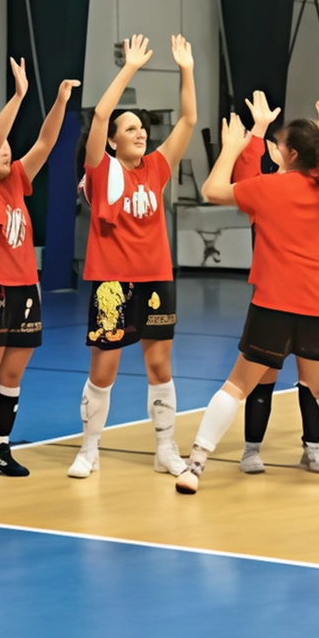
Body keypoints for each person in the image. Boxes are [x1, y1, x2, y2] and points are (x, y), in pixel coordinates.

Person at [174, 110, 319, 495]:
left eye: (280, 145)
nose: (276, 148)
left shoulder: (268, 187)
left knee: (236, 385)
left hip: (275, 303)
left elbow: (212, 190)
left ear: (291, 154)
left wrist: (232, 149)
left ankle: (195, 465)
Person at [68, 34, 195, 479]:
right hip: (112, 282)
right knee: (104, 368)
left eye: (142, 128)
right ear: (113, 141)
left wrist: (187, 69)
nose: (140, 132)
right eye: (130, 129)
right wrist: (130, 69)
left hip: (156, 278)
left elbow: (189, 119)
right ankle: (89, 449)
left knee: (160, 365)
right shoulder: (101, 171)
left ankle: (165, 448)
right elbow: (101, 113)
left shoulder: (157, 169)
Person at [0, 60, 75, 487]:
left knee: (12, 376)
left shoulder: (15, 181)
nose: (5, 150)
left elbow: (45, 141)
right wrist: (18, 96)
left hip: (25, 289)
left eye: (5, 144)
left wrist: (58, 102)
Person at [225, 93, 319, 476]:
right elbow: (242, 177)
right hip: (273, 294)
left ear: (290, 153)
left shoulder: (316, 188)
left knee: (312, 377)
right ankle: (251, 449)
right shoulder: (266, 189)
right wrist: (256, 131)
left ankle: (313, 446)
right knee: (263, 375)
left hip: (310, 296)